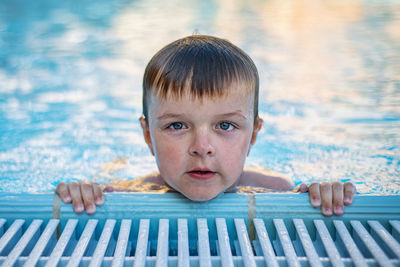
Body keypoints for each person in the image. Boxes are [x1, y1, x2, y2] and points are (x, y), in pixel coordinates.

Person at [56, 35, 355, 216]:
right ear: (148, 136)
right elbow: (83, 198)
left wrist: (323, 193)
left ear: (252, 137)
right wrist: (81, 192)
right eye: (177, 126)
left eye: (225, 125)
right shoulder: (128, 191)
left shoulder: (277, 189)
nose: (201, 148)